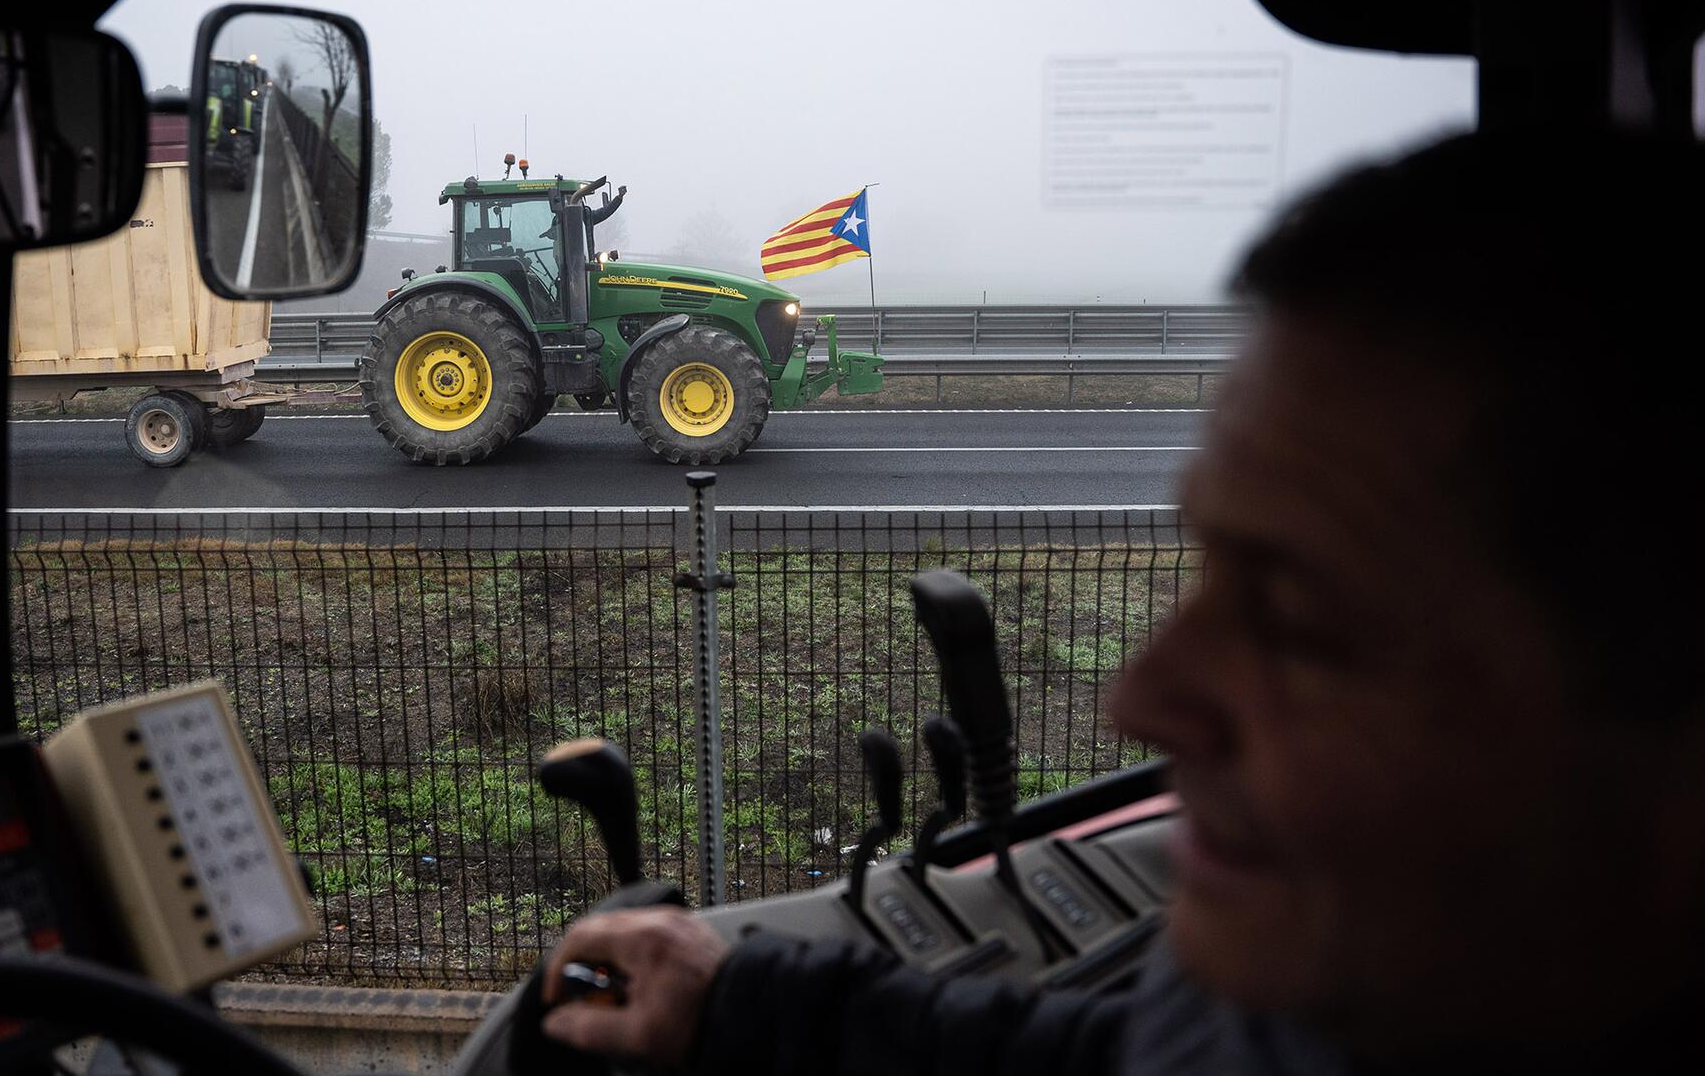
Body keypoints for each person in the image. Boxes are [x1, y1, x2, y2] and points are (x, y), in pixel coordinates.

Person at [537, 129, 1705, 1074]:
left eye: (1304, 620)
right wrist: (742, 998)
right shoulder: (1315, 1010)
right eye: (1210, 570)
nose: (1136, 699)